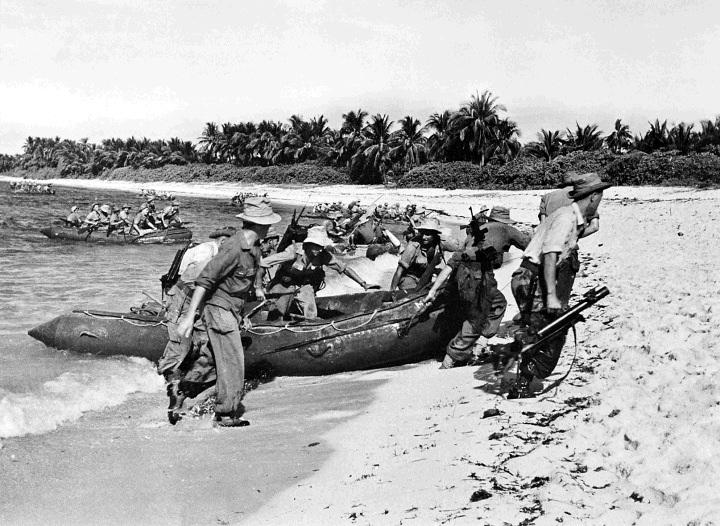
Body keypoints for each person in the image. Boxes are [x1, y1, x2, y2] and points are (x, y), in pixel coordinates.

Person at [175, 198, 279, 427]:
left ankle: (182, 388)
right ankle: (225, 414)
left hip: (233, 309)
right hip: (218, 309)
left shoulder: (254, 247)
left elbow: (254, 272)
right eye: (268, 223)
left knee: (213, 358)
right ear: (259, 224)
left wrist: (257, 290)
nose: (271, 226)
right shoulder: (233, 248)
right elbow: (205, 280)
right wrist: (189, 318)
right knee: (233, 361)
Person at [510, 173, 611, 396]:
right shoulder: (566, 218)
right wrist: (552, 296)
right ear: (594, 197)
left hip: (531, 277)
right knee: (548, 331)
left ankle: (523, 379)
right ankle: (522, 382)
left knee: (548, 330)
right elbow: (549, 255)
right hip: (531, 278)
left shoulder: (569, 217)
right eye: (600, 197)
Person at [160, 226, 237, 424]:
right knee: (179, 345)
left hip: (200, 299)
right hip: (183, 298)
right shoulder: (206, 254)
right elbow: (191, 280)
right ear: (223, 242)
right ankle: (168, 383)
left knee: (205, 343)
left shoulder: (220, 256)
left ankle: (185, 384)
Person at [422, 211, 501, 369]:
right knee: (476, 319)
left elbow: (447, 270)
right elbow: (495, 262)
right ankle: (455, 357)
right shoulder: (474, 252)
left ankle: (474, 345)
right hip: (475, 293)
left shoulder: (462, 252)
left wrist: (433, 291)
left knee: (485, 311)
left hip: (464, 291)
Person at [262, 226, 380, 320]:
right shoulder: (292, 252)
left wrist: (363, 284)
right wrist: (258, 287)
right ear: (307, 244)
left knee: (311, 312)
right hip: (284, 283)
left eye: (321, 247)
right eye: (316, 246)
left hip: (303, 284)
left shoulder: (323, 255)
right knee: (278, 313)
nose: (319, 250)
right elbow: (263, 263)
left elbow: (345, 268)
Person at [389, 217, 443, 292]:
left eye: (427, 234)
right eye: (422, 233)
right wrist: (392, 291)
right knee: (412, 295)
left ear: (434, 235)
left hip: (425, 278)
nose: (424, 237)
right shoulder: (413, 246)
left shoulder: (438, 245)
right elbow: (399, 271)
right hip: (409, 278)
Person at [539, 172, 600, 237]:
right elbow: (594, 226)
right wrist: (573, 237)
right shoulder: (584, 196)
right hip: (570, 240)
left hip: (549, 240)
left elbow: (542, 226)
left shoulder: (547, 197)